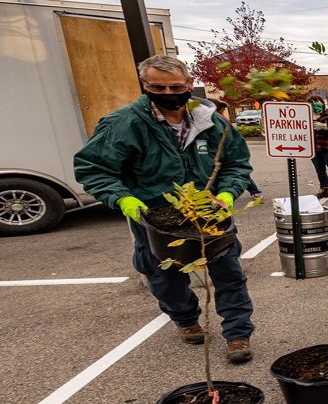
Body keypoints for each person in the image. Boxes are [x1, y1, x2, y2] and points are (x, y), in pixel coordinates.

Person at [72, 54, 257, 363]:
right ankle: (185, 319)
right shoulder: (125, 124)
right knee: (165, 277)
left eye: (175, 86)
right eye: (159, 87)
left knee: (228, 272)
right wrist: (122, 199)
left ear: (189, 84)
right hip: (157, 218)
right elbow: (94, 168)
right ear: (145, 85)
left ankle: (238, 333)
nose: (169, 94)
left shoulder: (212, 123)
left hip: (209, 213)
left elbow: (236, 164)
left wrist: (226, 195)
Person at [214, 100, 262, 201]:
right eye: (223, 109)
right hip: (218, 151)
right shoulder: (217, 117)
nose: (223, 111)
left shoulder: (218, 119)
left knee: (234, 171)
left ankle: (255, 191)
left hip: (222, 152)